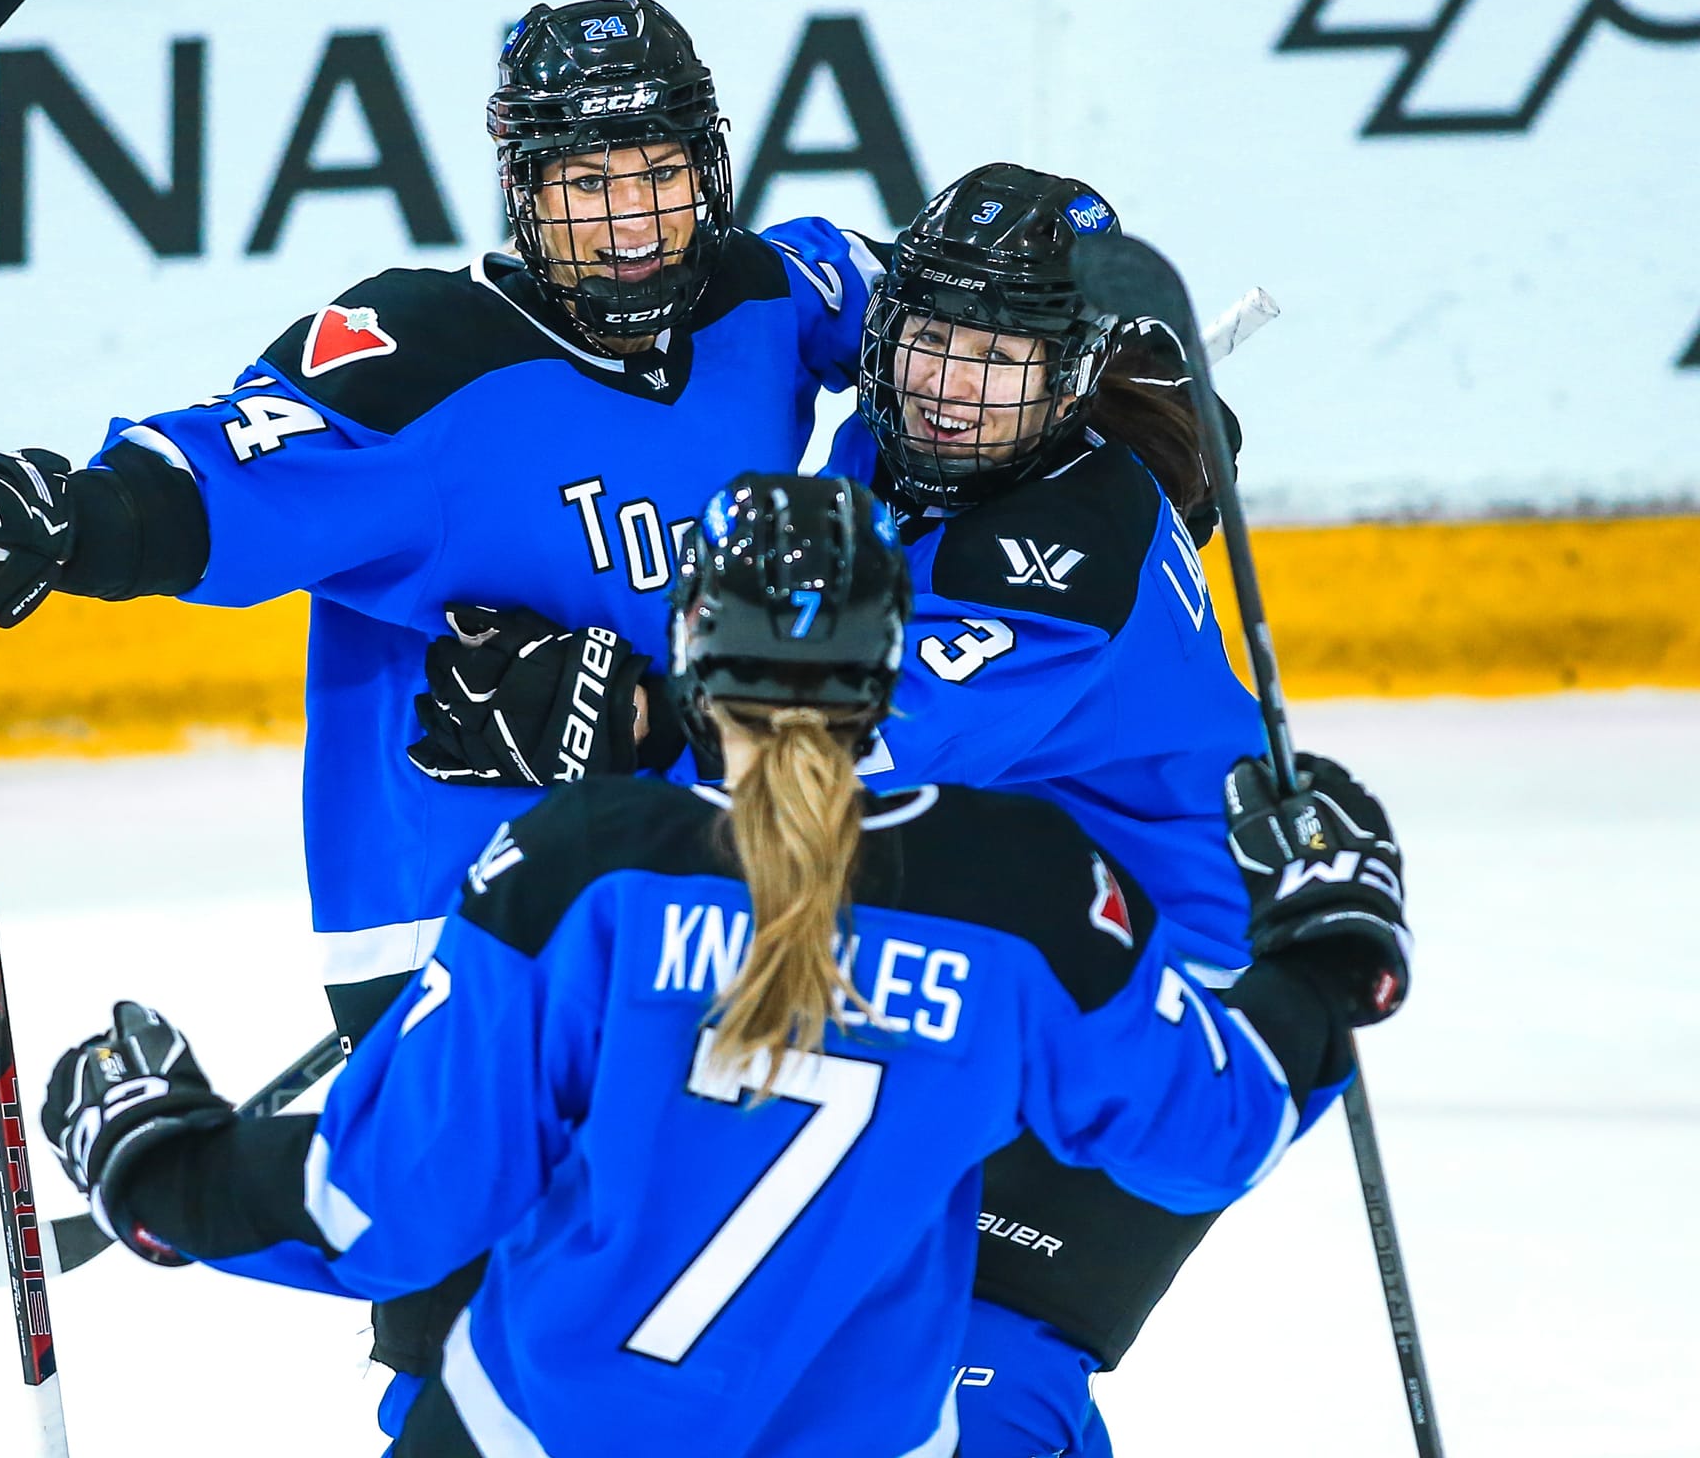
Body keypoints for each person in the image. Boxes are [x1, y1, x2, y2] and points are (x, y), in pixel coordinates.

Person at [0, 0, 888, 1404]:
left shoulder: (768, 299)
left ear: (711, 168)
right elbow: (204, 483)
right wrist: (42, 521)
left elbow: (924, 310)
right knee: (470, 1354)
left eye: (658, 178)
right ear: (523, 188)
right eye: (587, 187)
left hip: (723, 894)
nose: (632, 222)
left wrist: (1112, 367)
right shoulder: (420, 355)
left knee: (712, 1336)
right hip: (462, 932)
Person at [39, 473, 1408, 1458]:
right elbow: (1209, 1137)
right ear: (888, 670)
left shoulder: (585, 868)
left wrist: (163, 1169)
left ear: (691, 663)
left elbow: (380, 1212)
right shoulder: (1032, 893)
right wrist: (1333, 954)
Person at [403, 166, 1400, 1454]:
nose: (946, 381)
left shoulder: (1064, 556)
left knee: (983, 1364)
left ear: (1071, 376)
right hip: (980, 932)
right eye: (930, 334)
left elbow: (824, 747)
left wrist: (633, 716)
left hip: (1141, 988)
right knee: (806, 1327)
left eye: (997, 357)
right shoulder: (925, 442)